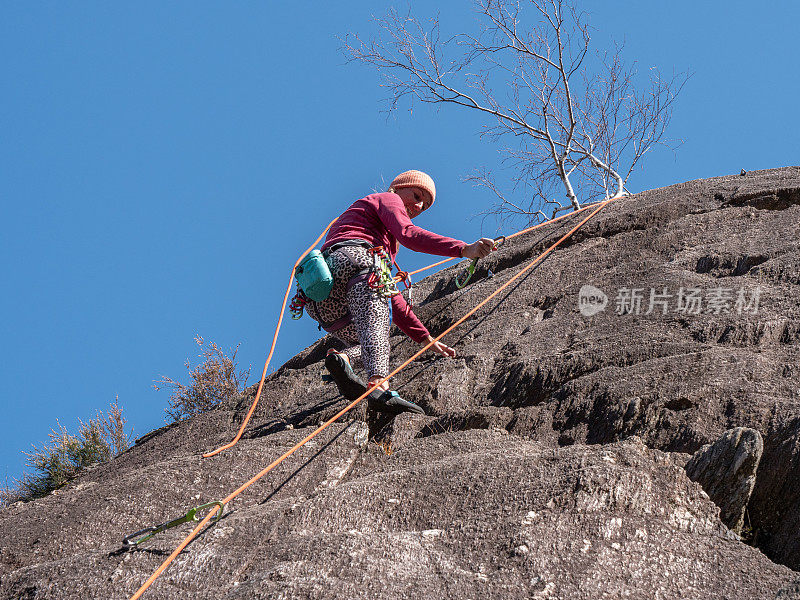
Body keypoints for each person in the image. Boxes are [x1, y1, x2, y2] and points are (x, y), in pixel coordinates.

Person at [305, 170, 495, 415]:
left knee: (376, 340)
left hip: (321, 299)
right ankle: (379, 385)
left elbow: (390, 296)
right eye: (416, 195)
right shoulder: (387, 199)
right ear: (397, 187)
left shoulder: (377, 233)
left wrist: (427, 340)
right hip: (352, 262)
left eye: (424, 206)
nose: (417, 206)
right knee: (377, 323)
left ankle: (342, 360)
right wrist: (463, 249)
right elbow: (410, 235)